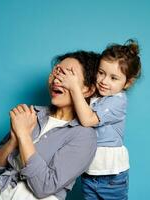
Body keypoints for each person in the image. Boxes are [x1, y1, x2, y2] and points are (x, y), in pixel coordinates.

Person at [0, 51, 100, 200]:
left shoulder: (85, 136)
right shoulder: (32, 113)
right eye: (57, 71)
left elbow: (44, 187)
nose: (57, 79)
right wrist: (14, 139)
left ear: (87, 89)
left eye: (68, 74)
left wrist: (23, 136)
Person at [54, 39, 142, 200]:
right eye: (101, 73)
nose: (104, 81)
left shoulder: (118, 100)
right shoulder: (96, 96)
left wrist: (74, 86)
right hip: (90, 171)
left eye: (114, 78)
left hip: (111, 176)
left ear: (127, 83)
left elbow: (87, 120)